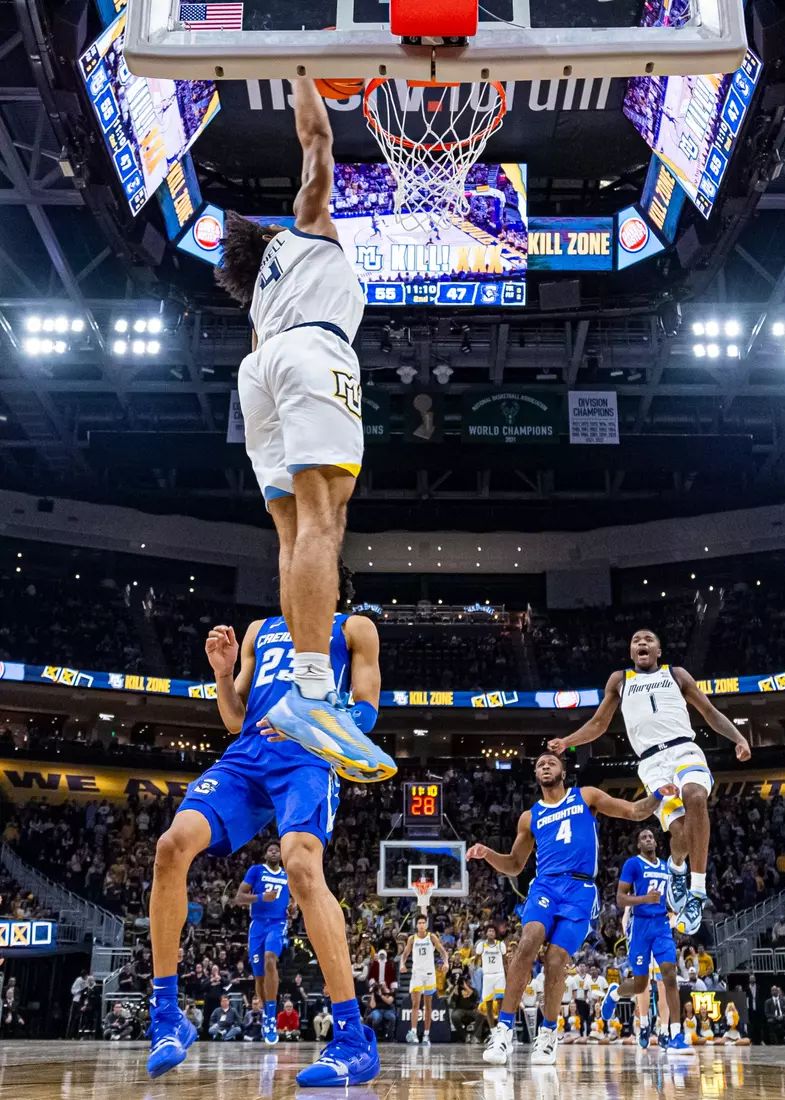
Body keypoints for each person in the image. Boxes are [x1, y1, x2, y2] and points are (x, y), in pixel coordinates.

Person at [214, 78, 394, 790]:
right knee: (325, 516)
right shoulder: (306, 227)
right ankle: (314, 691)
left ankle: (303, 686)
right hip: (313, 353)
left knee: (293, 532)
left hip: (259, 367)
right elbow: (316, 139)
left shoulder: (264, 291)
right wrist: (305, 73)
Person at [145, 588, 382, 1087]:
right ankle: (167, 1016)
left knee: (300, 867)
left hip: (307, 758)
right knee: (170, 846)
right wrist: (223, 672)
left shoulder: (352, 628)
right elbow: (236, 719)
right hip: (248, 757)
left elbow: (366, 712)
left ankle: (353, 1038)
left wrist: (313, 722)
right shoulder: (260, 630)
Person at [468, 751, 675, 1066]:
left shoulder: (586, 796)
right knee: (528, 941)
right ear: (536, 775)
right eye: (539, 763)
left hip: (580, 889)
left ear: (563, 771)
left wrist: (657, 795)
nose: (545, 765)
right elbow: (514, 864)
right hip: (545, 885)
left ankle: (548, 1035)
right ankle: (503, 1032)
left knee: (555, 960)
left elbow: (633, 811)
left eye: (551, 762)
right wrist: (488, 854)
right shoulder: (530, 816)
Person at [548, 629, 751, 935]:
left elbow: (709, 711)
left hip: (684, 749)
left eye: (648, 639)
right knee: (680, 833)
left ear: (659, 650)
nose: (642, 642)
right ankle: (677, 868)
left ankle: (697, 892)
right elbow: (599, 724)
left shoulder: (676, 674)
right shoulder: (620, 680)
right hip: (651, 764)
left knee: (695, 795)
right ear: (632, 652)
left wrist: (738, 738)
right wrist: (567, 741)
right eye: (636, 640)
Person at [602, 827, 691, 1055]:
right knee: (641, 985)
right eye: (644, 837)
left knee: (669, 976)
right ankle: (615, 993)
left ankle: (674, 1034)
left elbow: (672, 897)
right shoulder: (633, 864)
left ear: (656, 843)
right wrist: (644, 899)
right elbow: (621, 898)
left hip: (661, 926)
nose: (648, 839)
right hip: (640, 927)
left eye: (651, 836)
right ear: (639, 845)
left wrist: (677, 910)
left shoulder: (665, 867)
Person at [234, 840, 289, 1044]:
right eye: (270, 850)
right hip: (257, 925)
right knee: (259, 977)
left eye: (277, 850)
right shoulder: (256, 870)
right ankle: (267, 1015)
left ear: (281, 855)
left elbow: (294, 899)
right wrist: (261, 897)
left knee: (270, 959)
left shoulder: (287, 874)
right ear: (266, 854)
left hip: (277, 924)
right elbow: (239, 898)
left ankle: (272, 1017)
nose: (274, 852)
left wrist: (293, 907)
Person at [400, 914, 449, 1046]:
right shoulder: (412, 938)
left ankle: (426, 1035)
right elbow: (405, 954)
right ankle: (413, 1032)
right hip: (417, 973)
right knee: (415, 1003)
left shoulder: (431, 937)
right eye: (419, 923)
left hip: (429, 974)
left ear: (426, 925)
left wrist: (446, 963)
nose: (421, 925)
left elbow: (443, 951)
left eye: (423, 922)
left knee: (428, 1005)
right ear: (416, 925)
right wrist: (402, 964)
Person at [475, 925, 507, 1029]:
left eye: (493, 931)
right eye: (489, 931)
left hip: (499, 975)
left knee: (500, 1001)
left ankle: (500, 1027)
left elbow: (505, 961)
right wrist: (475, 966)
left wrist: (507, 973)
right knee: (488, 1004)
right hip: (487, 976)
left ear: (495, 933)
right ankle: (493, 1031)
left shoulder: (500, 945)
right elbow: (476, 958)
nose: (491, 933)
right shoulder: (481, 945)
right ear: (486, 933)